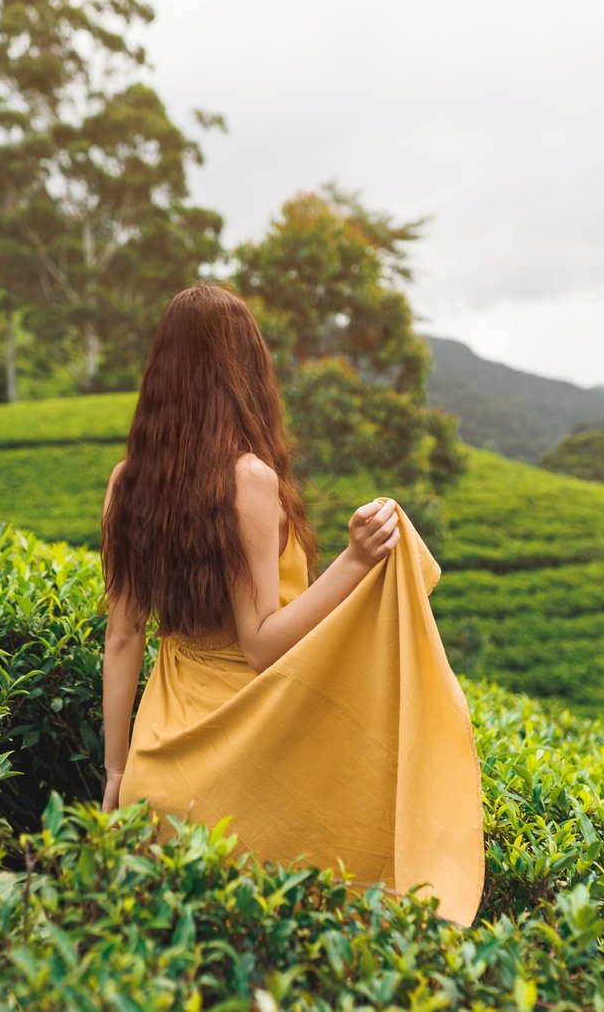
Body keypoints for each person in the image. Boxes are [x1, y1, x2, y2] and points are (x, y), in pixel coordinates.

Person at [98, 281, 485, 926]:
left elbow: (122, 636)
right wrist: (356, 561)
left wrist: (116, 774)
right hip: (244, 762)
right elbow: (261, 647)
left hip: (156, 769)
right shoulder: (247, 479)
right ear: (244, 370)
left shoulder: (127, 481)